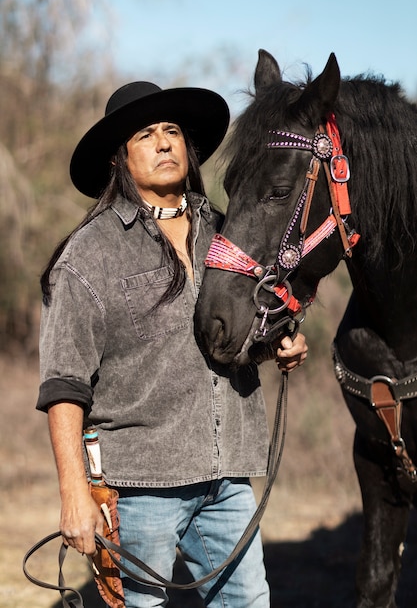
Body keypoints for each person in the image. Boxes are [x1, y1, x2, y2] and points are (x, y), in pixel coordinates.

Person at [37, 80, 308, 608]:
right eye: (145, 135)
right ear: (120, 158)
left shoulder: (228, 236)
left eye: (172, 131)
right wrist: (74, 494)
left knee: (249, 603)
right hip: (139, 485)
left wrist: (280, 344)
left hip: (227, 476)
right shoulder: (87, 256)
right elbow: (64, 385)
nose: (163, 143)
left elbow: (246, 330)